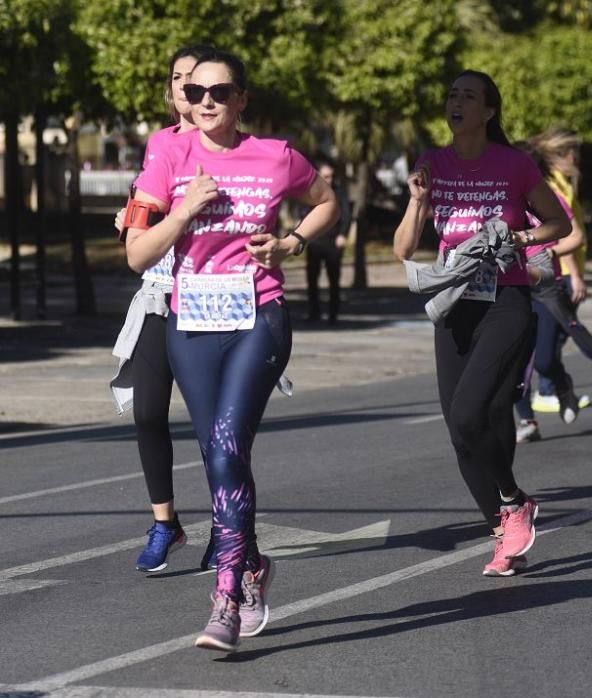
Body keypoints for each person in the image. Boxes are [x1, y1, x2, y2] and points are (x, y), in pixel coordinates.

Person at [126, 49, 338, 651]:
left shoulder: (275, 156)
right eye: (194, 93)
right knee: (221, 454)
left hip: (258, 316)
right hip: (191, 323)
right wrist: (185, 210)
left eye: (219, 92)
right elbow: (138, 254)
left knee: (224, 444)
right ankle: (252, 564)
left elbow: (327, 201)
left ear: (242, 99)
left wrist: (292, 243)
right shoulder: (167, 154)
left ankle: (226, 593)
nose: (205, 102)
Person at [393, 70, 570, 576]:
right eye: (452, 93)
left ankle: (514, 500)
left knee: (472, 411)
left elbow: (561, 224)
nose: (457, 101)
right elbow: (404, 250)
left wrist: (516, 239)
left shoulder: (513, 164)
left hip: (505, 301)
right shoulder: (431, 163)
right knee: (460, 428)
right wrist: (419, 201)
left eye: (468, 96)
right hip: (454, 304)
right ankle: (504, 527)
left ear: (489, 111)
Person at [110, 45, 218, 573]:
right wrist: (130, 219)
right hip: (159, 294)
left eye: (196, 81)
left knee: (211, 423)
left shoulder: (226, 146)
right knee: (149, 412)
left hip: (209, 301)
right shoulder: (159, 143)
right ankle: (165, 523)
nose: (186, 88)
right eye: (178, 79)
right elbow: (144, 205)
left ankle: (228, 524)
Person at [511, 139, 587, 443]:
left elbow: (575, 236)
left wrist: (548, 253)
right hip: (511, 287)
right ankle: (527, 420)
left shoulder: (549, 197)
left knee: (543, 360)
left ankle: (563, 386)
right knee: (513, 360)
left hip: (544, 286)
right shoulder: (499, 200)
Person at [304, 158, 351, 324]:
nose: (328, 180)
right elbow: (303, 213)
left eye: (330, 176)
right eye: (324, 176)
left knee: (334, 279)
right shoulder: (311, 192)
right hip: (315, 241)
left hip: (332, 241)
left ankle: (333, 313)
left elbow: (346, 215)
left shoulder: (339, 193)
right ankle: (314, 312)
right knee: (312, 279)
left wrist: (343, 235)